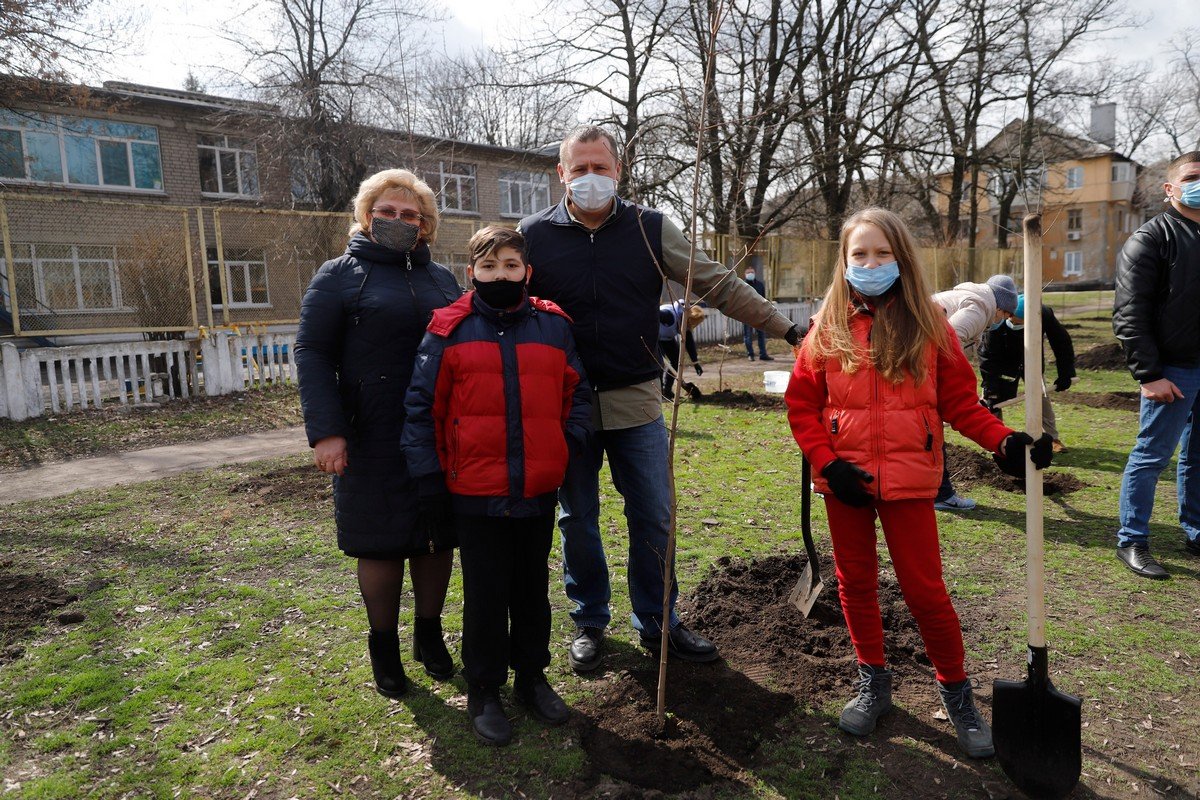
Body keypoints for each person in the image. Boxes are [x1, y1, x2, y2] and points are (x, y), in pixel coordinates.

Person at [519, 124, 804, 672]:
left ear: (618, 170)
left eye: (600, 167)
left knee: (654, 515)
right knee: (577, 518)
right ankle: (589, 620)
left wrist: (787, 330)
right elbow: (502, 299)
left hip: (637, 398)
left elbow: (716, 283)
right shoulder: (534, 235)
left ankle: (657, 620)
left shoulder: (648, 227)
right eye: (579, 169)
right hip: (565, 405)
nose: (590, 177)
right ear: (561, 174)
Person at [785, 207, 1052, 759]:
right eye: (860, 254)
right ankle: (873, 682)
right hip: (846, 484)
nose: (871, 263)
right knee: (855, 583)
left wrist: (1004, 441)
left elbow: (960, 402)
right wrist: (828, 466)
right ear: (844, 261)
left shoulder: (930, 325)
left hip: (910, 481)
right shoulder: (825, 327)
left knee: (925, 591)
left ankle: (957, 694)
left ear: (902, 258)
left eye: (882, 253)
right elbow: (802, 406)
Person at [402, 226, 591, 745]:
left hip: (536, 484)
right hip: (474, 489)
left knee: (531, 588)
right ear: (472, 273)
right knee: (485, 593)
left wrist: (567, 444)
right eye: (489, 267)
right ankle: (484, 688)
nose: (500, 275)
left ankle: (532, 677)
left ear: (527, 272)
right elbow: (422, 407)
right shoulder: (448, 328)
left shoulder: (553, 327)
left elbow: (577, 392)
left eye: (510, 266)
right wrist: (429, 477)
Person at [294, 169, 462, 698]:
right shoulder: (337, 275)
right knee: (381, 540)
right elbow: (312, 352)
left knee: (436, 535)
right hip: (370, 430)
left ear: (425, 225)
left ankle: (429, 635)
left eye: (409, 214)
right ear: (367, 217)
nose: (397, 220)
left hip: (436, 429)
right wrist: (327, 431)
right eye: (386, 212)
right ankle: (384, 648)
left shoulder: (442, 279)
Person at [1112, 150, 1200, 579]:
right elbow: (1130, 313)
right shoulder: (1150, 239)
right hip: (1172, 371)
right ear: (1170, 188)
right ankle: (1132, 540)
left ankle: (1196, 532)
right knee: (1152, 456)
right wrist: (1149, 374)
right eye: (1193, 177)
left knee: (1197, 456)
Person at [928, 275, 1019, 510]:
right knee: (931, 429)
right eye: (1006, 315)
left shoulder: (973, 300)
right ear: (999, 308)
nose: (1005, 320)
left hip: (920, 370)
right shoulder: (979, 309)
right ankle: (940, 494)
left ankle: (940, 492)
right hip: (921, 374)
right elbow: (947, 343)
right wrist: (958, 393)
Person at [979, 290, 1076, 453]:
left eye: (1018, 323)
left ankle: (1051, 438)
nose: (1013, 323)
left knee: (1041, 395)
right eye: (1011, 320)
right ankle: (995, 439)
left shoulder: (1044, 315)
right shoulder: (997, 320)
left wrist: (1066, 373)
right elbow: (987, 357)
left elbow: (1062, 343)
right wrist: (991, 388)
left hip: (1032, 357)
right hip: (1001, 359)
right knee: (992, 400)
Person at [658, 299, 704, 400]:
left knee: (677, 360)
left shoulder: (684, 320)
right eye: (691, 325)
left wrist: (695, 362)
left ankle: (667, 390)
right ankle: (660, 392)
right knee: (659, 363)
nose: (690, 327)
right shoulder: (668, 316)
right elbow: (654, 313)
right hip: (654, 338)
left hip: (667, 338)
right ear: (688, 320)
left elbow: (689, 342)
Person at [743, 268, 773, 361]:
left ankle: (763, 354)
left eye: (752, 272)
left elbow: (763, 299)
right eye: (748, 272)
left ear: (755, 273)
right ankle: (750, 354)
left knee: (761, 334)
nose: (750, 274)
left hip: (759, 313)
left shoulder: (760, 285)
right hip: (747, 314)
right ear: (745, 274)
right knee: (748, 335)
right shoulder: (742, 285)